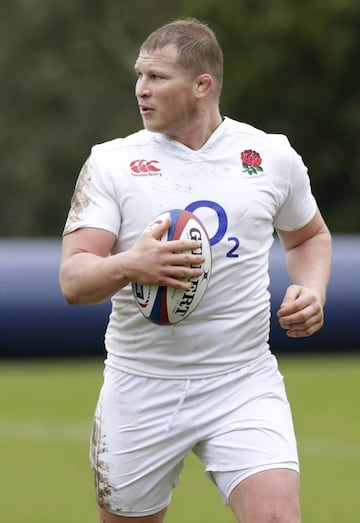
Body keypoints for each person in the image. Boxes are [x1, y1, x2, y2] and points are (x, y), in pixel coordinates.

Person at [59, 17, 332, 523]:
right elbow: (74, 281)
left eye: (158, 77)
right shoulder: (112, 163)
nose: (141, 89)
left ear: (202, 85)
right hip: (141, 386)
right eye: (140, 76)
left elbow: (309, 236)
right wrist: (131, 264)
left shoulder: (270, 155)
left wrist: (311, 290)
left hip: (242, 380)